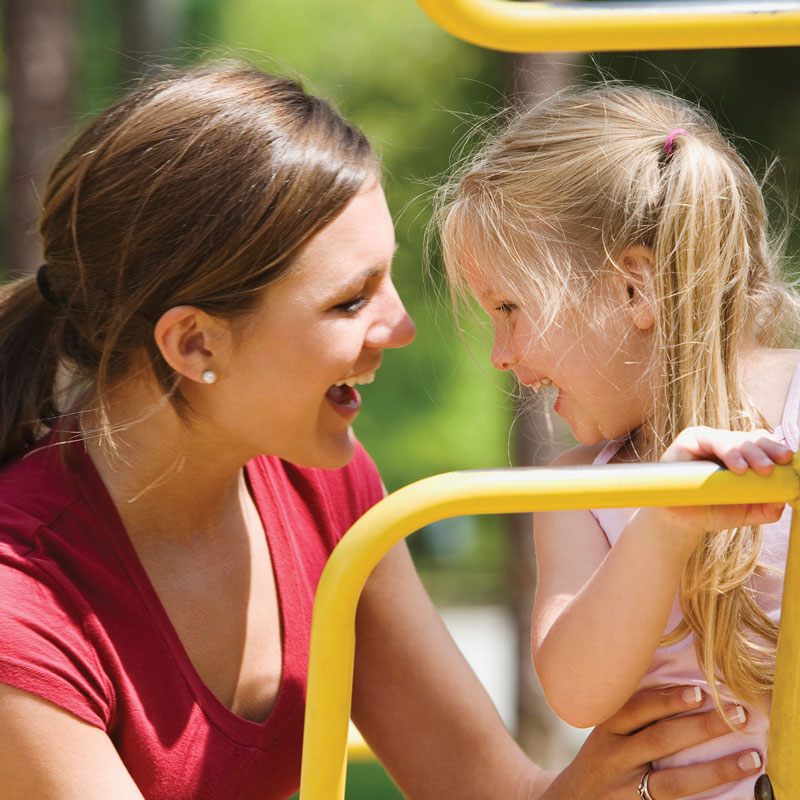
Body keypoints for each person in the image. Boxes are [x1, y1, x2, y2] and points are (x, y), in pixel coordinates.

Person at [0, 65, 765, 800]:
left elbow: (482, 793)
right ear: (196, 345)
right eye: (348, 301)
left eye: (388, 279)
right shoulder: (22, 605)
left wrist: (624, 780)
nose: (399, 328)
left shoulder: (322, 486)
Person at [436, 83, 800, 799]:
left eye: (510, 307)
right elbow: (577, 692)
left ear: (634, 288)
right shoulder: (581, 489)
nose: (499, 354)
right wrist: (663, 525)